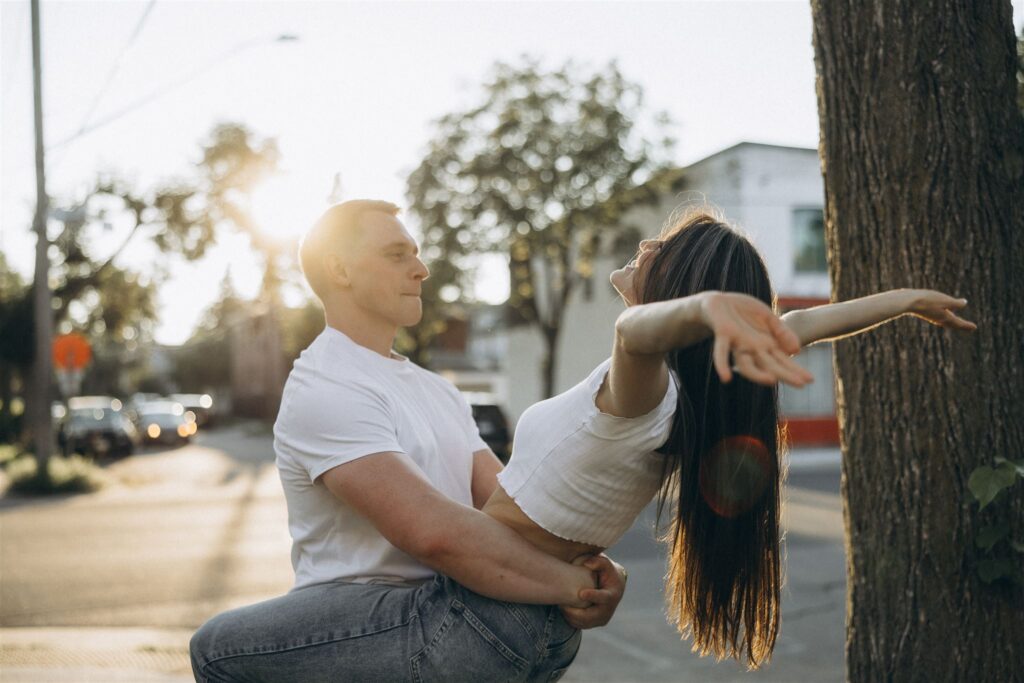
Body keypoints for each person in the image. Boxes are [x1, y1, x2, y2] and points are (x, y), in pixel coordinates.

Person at [481, 208, 976, 669]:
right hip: (523, 612)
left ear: (685, 292)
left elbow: (632, 334)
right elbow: (798, 326)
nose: (650, 242)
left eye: (668, 247)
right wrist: (906, 301)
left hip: (485, 610)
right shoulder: (689, 391)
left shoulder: (647, 394)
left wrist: (700, 308)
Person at [190, 200, 628, 683]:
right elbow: (430, 533)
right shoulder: (327, 384)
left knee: (213, 651)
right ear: (340, 270)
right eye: (397, 254)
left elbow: (514, 505)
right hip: (403, 623)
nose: (420, 269)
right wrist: (575, 584)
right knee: (218, 646)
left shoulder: (437, 390)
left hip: (440, 621)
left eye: (416, 254)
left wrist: (596, 573)